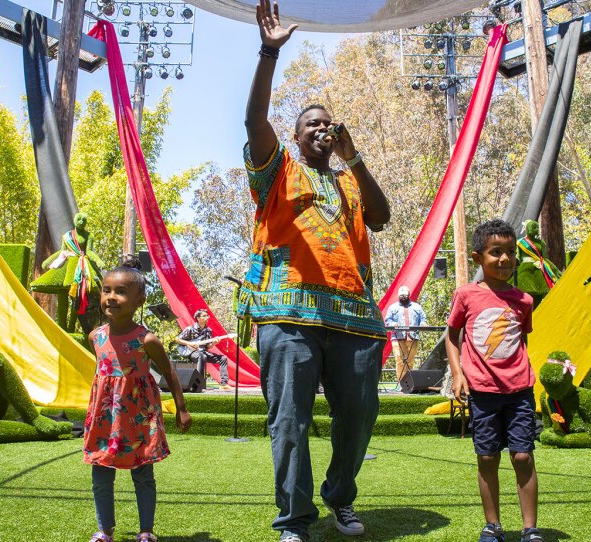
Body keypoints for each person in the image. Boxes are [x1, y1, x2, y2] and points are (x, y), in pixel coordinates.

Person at [238, 2, 391, 540]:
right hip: (288, 312)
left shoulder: (349, 179)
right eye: (313, 125)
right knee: (290, 423)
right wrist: (269, 52)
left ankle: (339, 498)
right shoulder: (277, 172)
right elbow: (256, 119)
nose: (323, 130)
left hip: (355, 317)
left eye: (329, 124)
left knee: (360, 416)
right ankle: (295, 518)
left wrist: (355, 158)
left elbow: (382, 217)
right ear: (297, 137)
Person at [444, 219, 542, 542]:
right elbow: (452, 335)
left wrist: (520, 375)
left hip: (519, 392)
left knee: (523, 456)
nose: (505, 259)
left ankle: (530, 529)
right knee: (487, 457)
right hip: (483, 393)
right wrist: (458, 374)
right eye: (496, 252)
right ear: (477, 258)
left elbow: (521, 342)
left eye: (510, 252)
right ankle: (493, 525)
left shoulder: (524, 301)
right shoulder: (466, 295)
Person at [83, 258, 192, 542]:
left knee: (143, 472)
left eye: (120, 292)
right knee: (101, 471)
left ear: (139, 299)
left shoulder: (147, 340)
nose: (111, 297)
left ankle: (146, 532)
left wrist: (181, 409)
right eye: (106, 290)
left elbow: (169, 372)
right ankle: (104, 530)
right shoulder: (95, 336)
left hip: (139, 415)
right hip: (105, 417)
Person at [175, 309, 231, 390]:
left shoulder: (208, 331)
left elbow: (208, 346)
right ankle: (199, 384)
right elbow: (177, 339)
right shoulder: (190, 329)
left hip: (203, 352)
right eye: (204, 316)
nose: (207, 317)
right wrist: (189, 344)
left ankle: (223, 384)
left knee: (223, 358)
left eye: (207, 316)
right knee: (202, 356)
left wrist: (214, 343)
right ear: (198, 318)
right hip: (191, 353)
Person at [383, 285, 428, 385]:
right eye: (401, 296)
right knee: (399, 360)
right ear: (398, 296)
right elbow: (387, 322)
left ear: (409, 295)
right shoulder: (393, 307)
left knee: (410, 361)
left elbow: (423, 319)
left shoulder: (417, 307)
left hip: (413, 338)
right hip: (397, 338)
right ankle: (401, 384)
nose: (403, 297)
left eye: (405, 295)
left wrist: (423, 324)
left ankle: (408, 384)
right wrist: (392, 324)